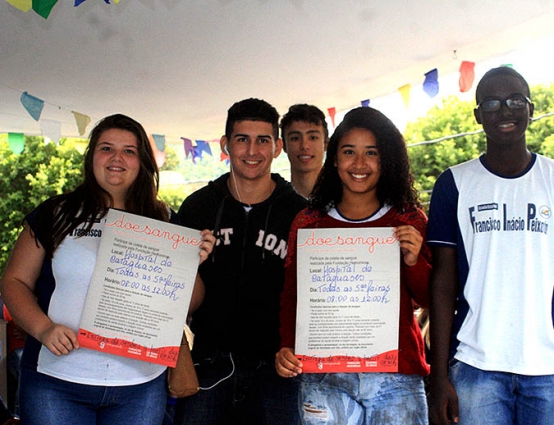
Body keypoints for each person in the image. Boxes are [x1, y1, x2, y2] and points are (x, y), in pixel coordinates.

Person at [0, 114, 215, 425]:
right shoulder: (56, 213)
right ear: (91, 157)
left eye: (129, 150)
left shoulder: (165, 219)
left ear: (142, 162)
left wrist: (190, 264)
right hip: (57, 379)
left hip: (139, 383)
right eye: (106, 148)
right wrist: (43, 329)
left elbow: (189, 302)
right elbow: (15, 281)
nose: (117, 158)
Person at [426, 67, 554, 425]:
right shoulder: (453, 185)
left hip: (549, 368)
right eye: (492, 102)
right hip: (475, 367)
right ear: (477, 115)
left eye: (516, 100)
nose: (505, 110)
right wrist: (439, 376)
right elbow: (442, 285)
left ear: (531, 109)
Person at [276, 106, 431, 425]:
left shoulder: (409, 220)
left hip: (396, 375)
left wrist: (414, 261)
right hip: (324, 376)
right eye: (349, 152)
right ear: (334, 158)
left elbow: (430, 297)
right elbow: (293, 297)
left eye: (371, 152)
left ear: (385, 159)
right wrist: (286, 347)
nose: (359, 164)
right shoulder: (309, 224)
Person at [174, 98, 307, 425]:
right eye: (242, 139)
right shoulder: (198, 207)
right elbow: (171, 292)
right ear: (225, 145)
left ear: (277, 147)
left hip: (277, 366)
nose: (252, 150)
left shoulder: (300, 213)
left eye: (263, 140)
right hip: (208, 362)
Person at [280, 104, 329, 197]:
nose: (304, 146)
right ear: (284, 145)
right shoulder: (274, 205)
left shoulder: (347, 198)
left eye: (313, 137)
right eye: (295, 138)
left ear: (326, 143)